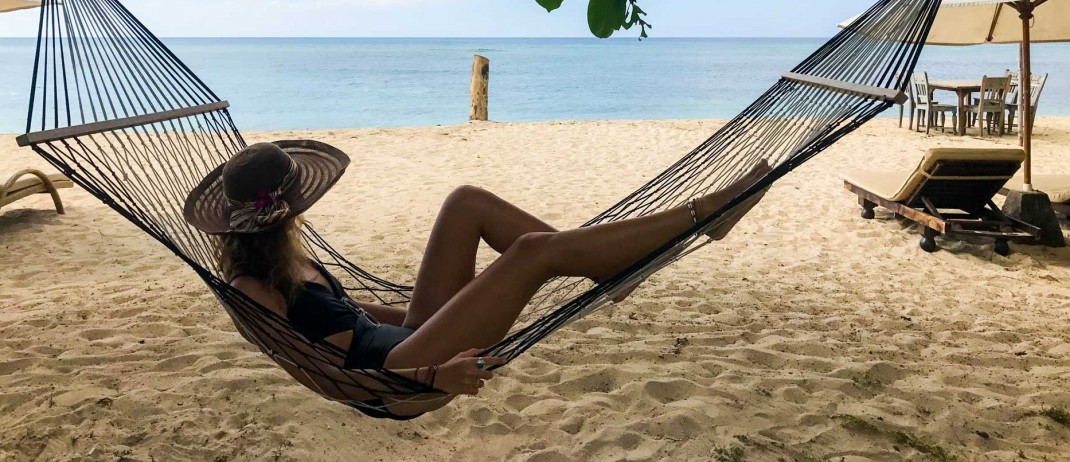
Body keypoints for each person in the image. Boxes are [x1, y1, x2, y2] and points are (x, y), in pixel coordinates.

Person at [184, 140, 770, 411]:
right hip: (400, 379)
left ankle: (613, 268)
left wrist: (435, 300)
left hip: (406, 338)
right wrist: (432, 374)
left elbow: (354, 315)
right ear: (289, 207)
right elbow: (325, 377)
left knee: (466, 201)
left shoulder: (288, 259)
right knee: (533, 255)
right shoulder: (248, 292)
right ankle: (703, 214)